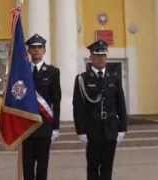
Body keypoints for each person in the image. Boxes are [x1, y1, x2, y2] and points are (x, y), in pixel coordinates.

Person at [72, 40, 127, 180]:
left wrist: (122, 128)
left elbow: (121, 104)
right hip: (92, 129)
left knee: (108, 167)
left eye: (103, 55)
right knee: (93, 167)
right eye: (97, 55)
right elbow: (78, 107)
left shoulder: (114, 77)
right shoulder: (82, 79)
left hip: (110, 129)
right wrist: (81, 131)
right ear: (91, 58)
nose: (101, 58)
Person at [22, 34, 61, 180]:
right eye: (33, 48)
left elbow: (56, 101)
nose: (36, 50)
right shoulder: (22, 72)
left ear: (44, 50)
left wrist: (55, 127)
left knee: (42, 167)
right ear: (29, 51)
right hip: (26, 126)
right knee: (27, 167)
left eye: (39, 47)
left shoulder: (53, 72)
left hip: (45, 126)